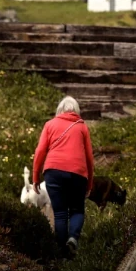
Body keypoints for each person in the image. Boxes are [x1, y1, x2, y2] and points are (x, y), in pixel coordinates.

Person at [32, 96, 94, 257]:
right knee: (77, 210)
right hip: (78, 173)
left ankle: (61, 253)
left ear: (59, 110)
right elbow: (89, 158)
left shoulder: (50, 124)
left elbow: (40, 152)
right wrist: (90, 183)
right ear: (77, 110)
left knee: (59, 213)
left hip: (53, 171)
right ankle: (73, 238)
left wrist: (35, 177)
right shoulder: (82, 127)